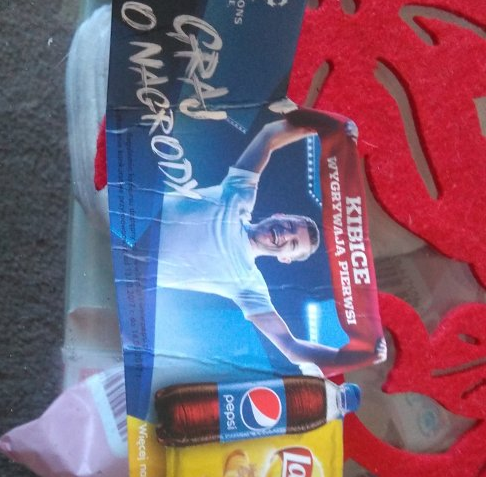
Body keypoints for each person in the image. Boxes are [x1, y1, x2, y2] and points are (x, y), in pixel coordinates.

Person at [156, 98, 385, 369]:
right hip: (122, 216)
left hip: (125, 269)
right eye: (291, 226)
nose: (286, 235)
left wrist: (353, 357)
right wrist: (326, 125)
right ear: (279, 216)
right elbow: (268, 137)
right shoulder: (238, 196)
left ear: (285, 259)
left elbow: (291, 348)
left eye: (293, 244)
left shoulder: (248, 285)